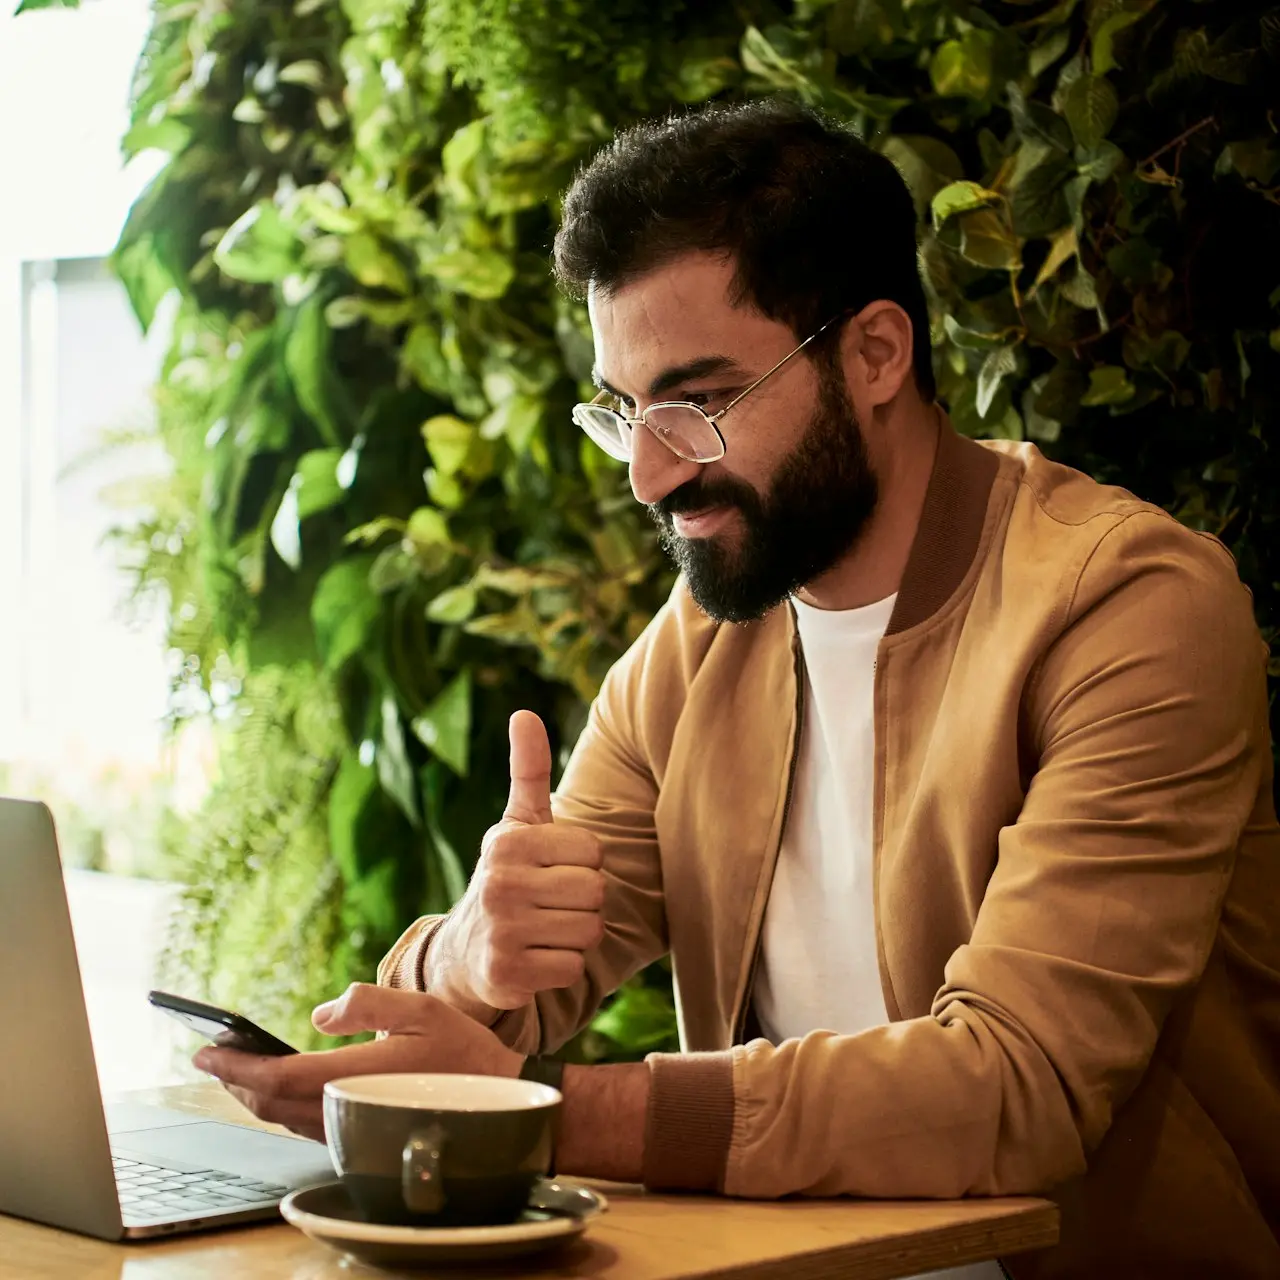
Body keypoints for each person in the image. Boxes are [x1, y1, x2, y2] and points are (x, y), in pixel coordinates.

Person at [195, 99, 1280, 1279]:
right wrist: (473, 954)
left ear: (874, 353)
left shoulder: (1124, 605)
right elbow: (498, 1007)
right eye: (622, 411)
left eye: (698, 402)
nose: (651, 473)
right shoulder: (704, 642)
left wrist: (538, 1107)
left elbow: (1014, 1088)